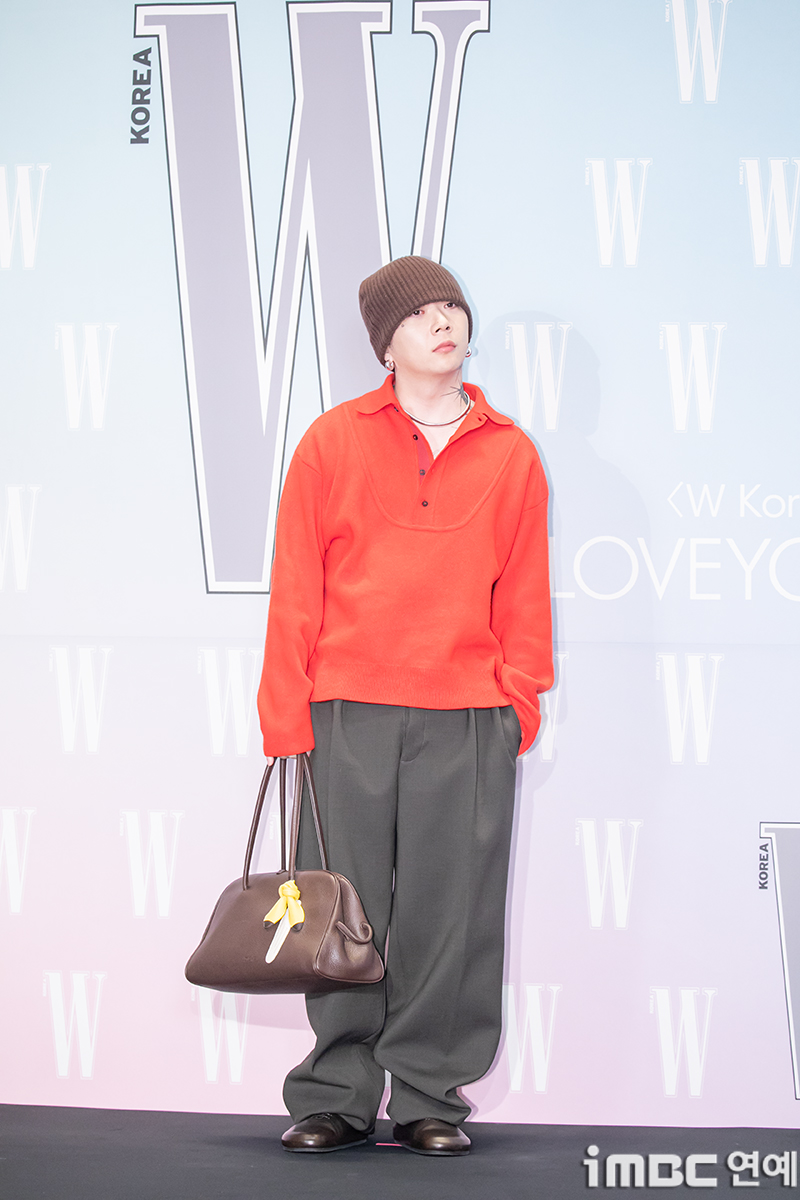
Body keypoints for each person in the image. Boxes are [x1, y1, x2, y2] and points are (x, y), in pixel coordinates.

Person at [257, 255, 553, 1156]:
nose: (444, 321)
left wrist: (517, 707)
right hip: (346, 711)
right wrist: (285, 713)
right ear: (385, 344)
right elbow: (296, 586)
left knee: (451, 912)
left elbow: (525, 594)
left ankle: (429, 1093)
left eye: (452, 305)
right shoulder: (332, 441)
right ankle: (336, 1093)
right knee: (340, 912)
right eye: (421, 312)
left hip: (469, 716)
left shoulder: (511, 452)